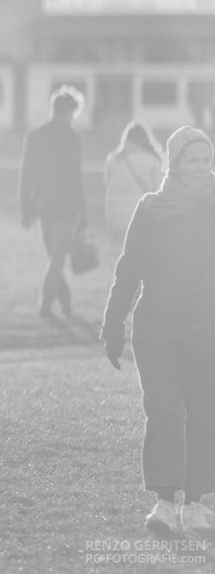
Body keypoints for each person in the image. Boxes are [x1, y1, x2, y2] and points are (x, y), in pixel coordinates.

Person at [100, 126, 215, 534]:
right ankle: (165, 504)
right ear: (175, 164)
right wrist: (113, 324)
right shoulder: (151, 210)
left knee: (204, 416)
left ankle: (198, 504)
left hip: (207, 331)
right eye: (194, 160)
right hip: (159, 332)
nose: (203, 167)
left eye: (208, 159)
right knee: (165, 412)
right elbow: (129, 270)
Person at [17, 85, 88, 318]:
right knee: (56, 259)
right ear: (70, 112)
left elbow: (25, 175)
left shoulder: (35, 136)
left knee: (54, 257)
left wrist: (25, 207)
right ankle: (47, 306)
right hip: (66, 207)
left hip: (43, 206)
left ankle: (62, 302)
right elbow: (76, 179)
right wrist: (83, 213)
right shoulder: (72, 139)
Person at [104, 121, 163, 240]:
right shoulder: (151, 161)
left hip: (114, 215)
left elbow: (107, 184)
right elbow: (158, 191)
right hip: (139, 217)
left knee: (117, 252)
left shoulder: (113, 159)